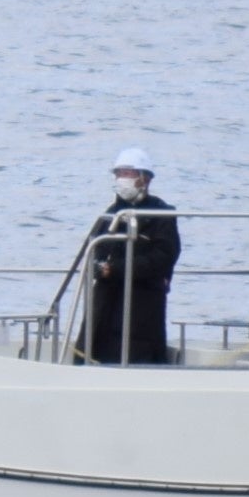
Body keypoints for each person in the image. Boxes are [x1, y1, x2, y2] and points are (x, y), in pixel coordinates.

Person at [76, 150, 181, 365]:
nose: (122, 179)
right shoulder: (112, 212)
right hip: (105, 299)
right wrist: (99, 267)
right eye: (119, 174)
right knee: (93, 348)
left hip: (143, 302)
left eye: (128, 173)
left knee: (136, 353)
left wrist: (116, 269)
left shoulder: (161, 214)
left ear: (145, 178)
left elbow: (162, 258)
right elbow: (94, 248)